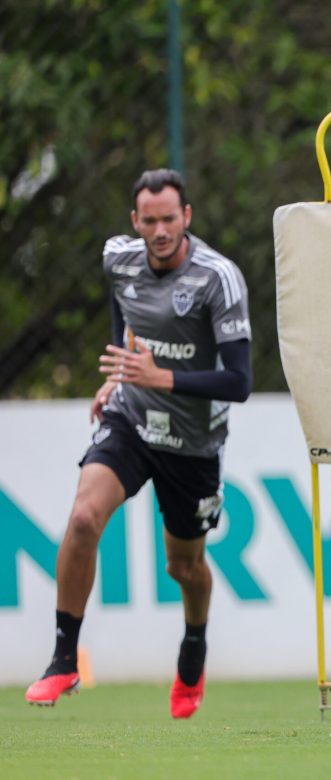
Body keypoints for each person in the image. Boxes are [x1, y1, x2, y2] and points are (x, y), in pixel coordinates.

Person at [25, 169, 252, 717]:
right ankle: (62, 661)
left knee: (185, 568)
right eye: (148, 221)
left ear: (187, 217)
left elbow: (239, 381)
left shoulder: (218, 278)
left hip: (193, 440)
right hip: (132, 420)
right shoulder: (118, 259)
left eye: (169, 219)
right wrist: (119, 373)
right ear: (135, 222)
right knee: (82, 520)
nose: (159, 230)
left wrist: (162, 378)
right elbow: (123, 316)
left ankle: (193, 646)